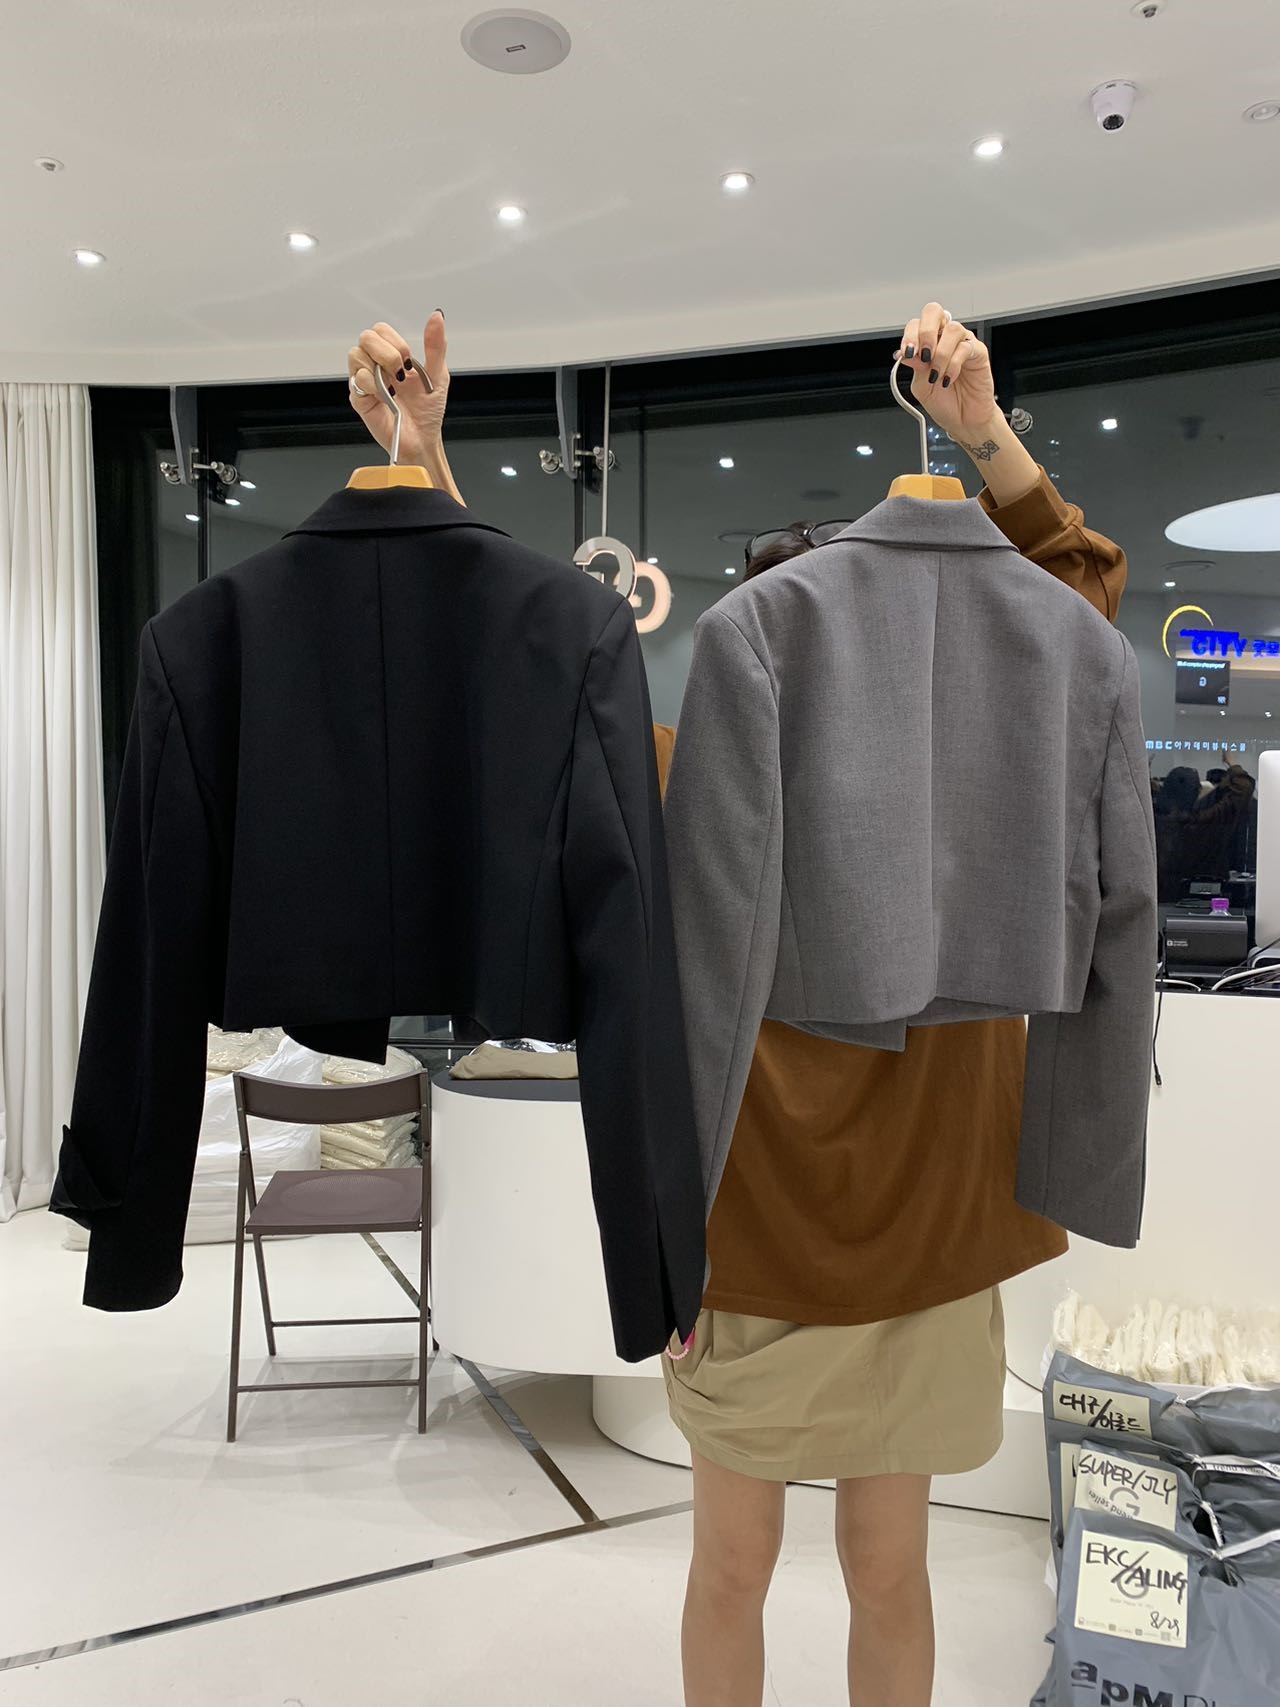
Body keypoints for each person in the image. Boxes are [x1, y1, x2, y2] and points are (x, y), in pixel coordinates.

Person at [347, 303, 1130, 1707]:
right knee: (767, 1562)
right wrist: (428, 466)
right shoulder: (691, 761)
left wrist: (981, 436)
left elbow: (1060, 622)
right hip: (774, 1228)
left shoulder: (939, 748)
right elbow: (532, 685)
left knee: (848, 1565)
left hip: (887, 1223)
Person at [1153, 754, 1256, 902]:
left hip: (1161, 900)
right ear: (1197, 792)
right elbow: (1241, 791)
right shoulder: (1206, 822)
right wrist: (1233, 764)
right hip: (1207, 900)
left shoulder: (1154, 822)